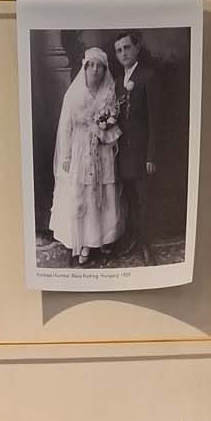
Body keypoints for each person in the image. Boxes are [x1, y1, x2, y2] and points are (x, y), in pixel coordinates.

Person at [49, 46, 124, 266]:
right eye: (91, 65)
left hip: (102, 150)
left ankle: (102, 238)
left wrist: (103, 130)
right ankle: (83, 242)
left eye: (99, 67)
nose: (95, 70)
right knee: (82, 193)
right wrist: (66, 156)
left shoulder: (109, 94)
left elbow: (114, 125)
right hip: (80, 149)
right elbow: (65, 127)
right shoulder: (74, 94)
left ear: (105, 70)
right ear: (84, 68)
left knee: (102, 192)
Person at [113, 30, 162, 267]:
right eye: (119, 50)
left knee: (144, 201)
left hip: (142, 154)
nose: (123, 53)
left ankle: (146, 246)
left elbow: (156, 121)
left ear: (136, 48)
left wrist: (152, 155)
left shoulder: (148, 77)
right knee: (129, 200)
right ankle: (133, 240)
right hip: (122, 155)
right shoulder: (116, 83)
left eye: (127, 48)